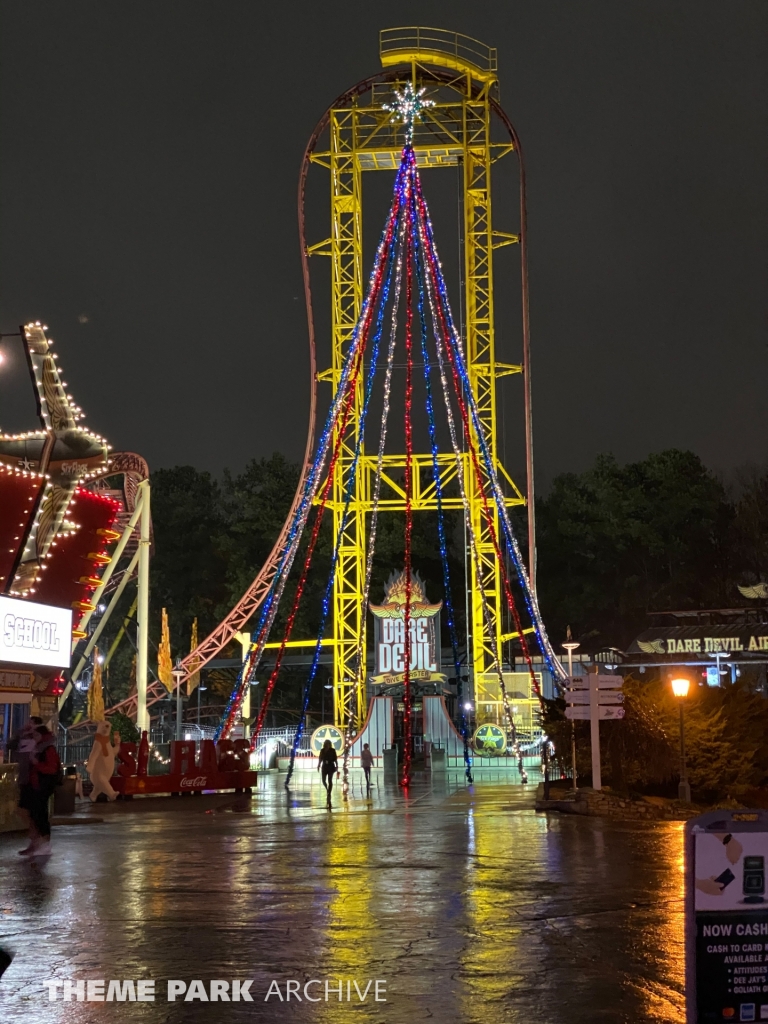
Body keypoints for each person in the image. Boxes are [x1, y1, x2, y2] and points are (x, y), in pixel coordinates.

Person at [24, 726, 61, 858]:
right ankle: (40, 843)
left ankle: (44, 844)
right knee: (36, 813)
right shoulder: (41, 747)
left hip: (42, 785)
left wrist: (36, 764)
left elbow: (51, 768)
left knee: (40, 814)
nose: (33, 738)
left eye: (36, 735)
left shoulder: (47, 749)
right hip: (37, 785)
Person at [8, 716, 43, 853]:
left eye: (31, 723)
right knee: (24, 810)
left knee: (26, 810)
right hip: (24, 778)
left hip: (31, 779)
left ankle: (36, 838)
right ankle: (35, 838)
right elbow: (11, 745)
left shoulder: (37, 741)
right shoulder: (24, 737)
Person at [317, 740, 338, 805]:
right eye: (326, 744)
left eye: (328, 744)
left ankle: (329, 792)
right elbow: (320, 758)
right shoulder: (322, 750)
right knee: (323, 780)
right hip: (324, 766)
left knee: (330, 780)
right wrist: (318, 765)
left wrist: (337, 766)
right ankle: (327, 789)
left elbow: (335, 759)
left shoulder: (332, 750)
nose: (327, 745)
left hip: (331, 766)